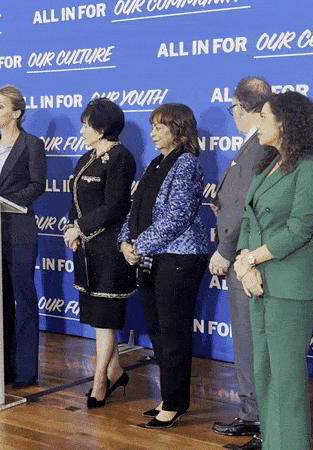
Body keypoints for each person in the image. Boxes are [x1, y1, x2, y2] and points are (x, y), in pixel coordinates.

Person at [233, 91, 313, 450]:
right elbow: (249, 219)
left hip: (291, 286)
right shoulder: (269, 164)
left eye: (264, 116)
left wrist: (250, 260)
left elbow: (300, 229)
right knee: (264, 374)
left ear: (286, 122)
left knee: (287, 379)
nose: (256, 123)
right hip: (260, 283)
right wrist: (244, 262)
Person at [118, 103, 210, 428]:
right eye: (153, 126)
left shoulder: (187, 164)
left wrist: (139, 245)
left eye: (160, 127)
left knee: (173, 334)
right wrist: (125, 242)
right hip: (152, 257)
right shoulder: (155, 164)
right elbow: (136, 210)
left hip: (180, 259)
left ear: (178, 130)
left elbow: (177, 217)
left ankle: (175, 403)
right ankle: (168, 397)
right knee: (157, 332)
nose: (153, 133)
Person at [209, 77, 271, 449]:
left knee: (250, 341)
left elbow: (244, 206)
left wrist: (225, 248)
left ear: (242, 107)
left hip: (247, 259)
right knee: (247, 341)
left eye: (233, 107)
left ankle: (259, 416)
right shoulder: (251, 146)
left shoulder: (259, 146)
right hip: (244, 255)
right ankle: (253, 413)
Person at [63, 98, 136, 408]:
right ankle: (115, 371)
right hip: (87, 249)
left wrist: (80, 228)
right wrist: (72, 229)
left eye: (86, 125)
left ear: (103, 128)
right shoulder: (87, 158)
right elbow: (75, 201)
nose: (81, 130)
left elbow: (115, 206)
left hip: (109, 250)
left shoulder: (121, 158)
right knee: (98, 319)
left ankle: (99, 381)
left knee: (106, 320)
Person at [0, 85, 47, 388]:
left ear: (17, 112)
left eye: (0, 107)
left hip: (20, 231)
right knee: (0, 299)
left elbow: (37, 186)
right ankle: (4, 368)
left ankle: (25, 371)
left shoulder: (32, 144)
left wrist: (3, 201)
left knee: (23, 298)